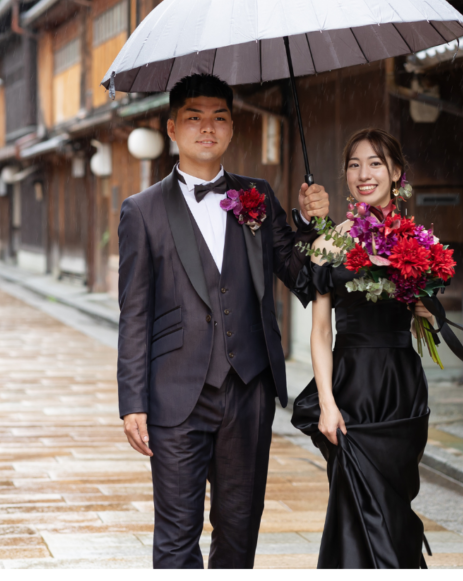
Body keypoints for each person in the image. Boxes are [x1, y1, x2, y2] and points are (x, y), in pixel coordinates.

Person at [116, 73, 330, 568]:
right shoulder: (141, 211)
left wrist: (313, 223)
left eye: (219, 117)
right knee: (175, 534)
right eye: (194, 117)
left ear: (232, 128)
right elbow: (134, 313)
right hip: (174, 395)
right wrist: (133, 401)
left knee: (239, 529)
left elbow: (302, 277)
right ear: (172, 128)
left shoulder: (258, 197)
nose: (206, 128)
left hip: (248, 390)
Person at [290, 129, 436, 569]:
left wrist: (423, 294)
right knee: (353, 505)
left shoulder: (416, 241)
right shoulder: (329, 243)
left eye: (375, 163)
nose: (363, 173)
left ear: (395, 173)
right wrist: (327, 404)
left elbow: (424, 314)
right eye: (354, 164)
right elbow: (320, 333)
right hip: (351, 386)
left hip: (401, 386)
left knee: (394, 507)